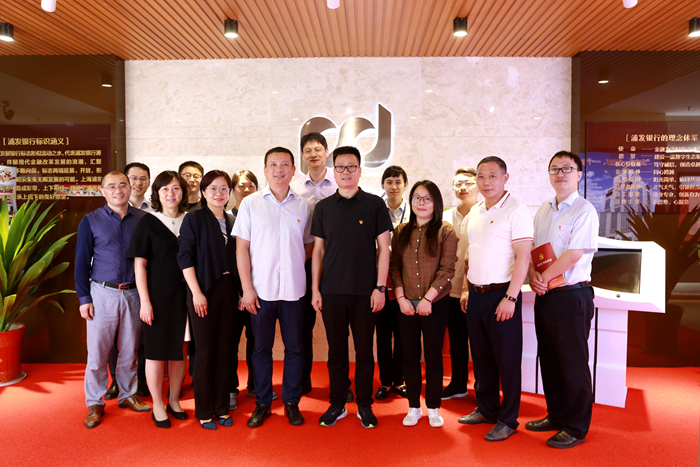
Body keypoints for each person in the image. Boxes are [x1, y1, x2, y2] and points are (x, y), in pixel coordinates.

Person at [311, 146, 392, 429]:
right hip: (331, 291)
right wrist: (315, 289)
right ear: (333, 172)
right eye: (341, 167)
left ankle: (364, 404)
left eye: (351, 166)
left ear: (359, 170)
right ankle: (337, 403)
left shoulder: (374, 205)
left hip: (365, 292)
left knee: (364, 352)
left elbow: (384, 250)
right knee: (336, 352)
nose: (346, 172)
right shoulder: (323, 208)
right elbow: (318, 252)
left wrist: (380, 288)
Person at [234, 147, 313, 428]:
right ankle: (263, 403)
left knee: (295, 349)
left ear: (293, 170)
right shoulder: (251, 204)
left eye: (285, 164)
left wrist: (291, 263)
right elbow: (241, 249)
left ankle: (291, 402)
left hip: (294, 291)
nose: (279, 169)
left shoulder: (304, 205)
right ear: (265, 170)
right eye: (273, 165)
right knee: (260, 350)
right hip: (260, 291)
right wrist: (247, 289)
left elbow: (308, 245)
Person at [526, 151, 598, 449]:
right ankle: (556, 415)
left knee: (573, 362)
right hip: (546, 295)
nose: (560, 174)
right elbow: (534, 248)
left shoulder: (584, 210)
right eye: (554, 169)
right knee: (550, 360)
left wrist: (542, 277)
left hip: (571, 296)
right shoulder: (544, 209)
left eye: (567, 169)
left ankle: (576, 426)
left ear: (579, 174)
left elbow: (574, 254)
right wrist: (533, 274)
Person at [458, 156, 533, 442]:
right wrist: (466, 289)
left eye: (492, 176)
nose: (485, 182)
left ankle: (508, 420)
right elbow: (471, 254)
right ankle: (487, 409)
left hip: (503, 295)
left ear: (505, 178)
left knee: (508, 361)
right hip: (476, 295)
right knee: (481, 358)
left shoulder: (517, 210)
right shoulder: (476, 211)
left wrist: (511, 297)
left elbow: (524, 257)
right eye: (481, 176)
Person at [75, 171, 151, 429]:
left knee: (130, 350)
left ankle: (128, 395)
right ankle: (94, 402)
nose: (118, 190)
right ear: (102, 190)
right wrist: (84, 298)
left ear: (130, 188)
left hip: (133, 293)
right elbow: (81, 262)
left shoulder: (143, 219)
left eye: (122, 185)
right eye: (111, 186)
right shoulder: (91, 220)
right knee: (97, 353)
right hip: (102, 293)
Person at [390, 180, 458, 428]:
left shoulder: (445, 231)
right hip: (406, 304)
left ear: (436, 202)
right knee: (409, 356)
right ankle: (413, 407)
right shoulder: (401, 231)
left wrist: (428, 299)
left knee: (433, 357)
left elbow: (447, 269)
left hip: (435, 304)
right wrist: (401, 298)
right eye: (417, 198)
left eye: (427, 198)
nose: (421, 203)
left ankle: (433, 407)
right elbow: (395, 267)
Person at [126, 171, 190, 429]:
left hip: (186, 297)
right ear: (157, 194)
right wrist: (145, 301)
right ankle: (158, 405)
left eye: (175, 188)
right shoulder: (148, 222)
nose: (171, 194)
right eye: (165, 189)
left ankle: (174, 400)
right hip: (157, 298)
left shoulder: (191, 221)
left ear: (183, 192)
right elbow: (139, 266)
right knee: (155, 353)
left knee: (180, 350)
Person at [177, 170, 239, 430]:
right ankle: (204, 411)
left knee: (225, 351)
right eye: (212, 188)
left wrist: (240, 292)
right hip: (202, 291)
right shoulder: (194, 219)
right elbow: (184, 257)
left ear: (229, 192)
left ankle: (221, 407)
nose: (218, 193)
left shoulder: (234, 220)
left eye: (224, 188)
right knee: (203, 352)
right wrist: (196, 293)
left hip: (229, 291)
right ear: (203, 192)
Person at [290, 132, 342, 398]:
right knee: (302, 327)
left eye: (318, 149)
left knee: (337, 329)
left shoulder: (339, 183)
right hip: (304, 261)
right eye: (308, 150)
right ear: (302, 155)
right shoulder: (295, 188)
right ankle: (302, 382)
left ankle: (340, 385)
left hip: (335, 264)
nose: (313, 154)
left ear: (326, 152)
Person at [104, 163, 153, 401]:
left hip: (142, 284)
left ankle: (139, 380)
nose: (138, 183)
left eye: (143, 179)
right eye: (133, 178)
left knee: (140, 337)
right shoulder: (109, 212)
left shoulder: (152, 212)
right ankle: (116, 381)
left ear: (149, 183)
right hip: (115, 285)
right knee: (115, 339)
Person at [441, 167, 478, 400]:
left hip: (478, 290)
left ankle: (483, 389)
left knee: (481, 343)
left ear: (478, 186)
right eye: (458, 183)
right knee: (456, 342)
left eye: (468, 183)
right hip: (450, 291)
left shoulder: (485, 213)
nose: (463, 188)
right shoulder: (445, 217)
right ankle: (458, 383)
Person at [375, 165, 409, 401]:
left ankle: (401, 379)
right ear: (383, 185)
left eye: (398, 182)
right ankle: (386, 381)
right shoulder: (375, 210)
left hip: (407, 284)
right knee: (383, 335)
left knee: (404, 334)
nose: (394, 186)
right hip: (381, 283)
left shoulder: (415, 210)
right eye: (389, 182)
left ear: (405, 184)